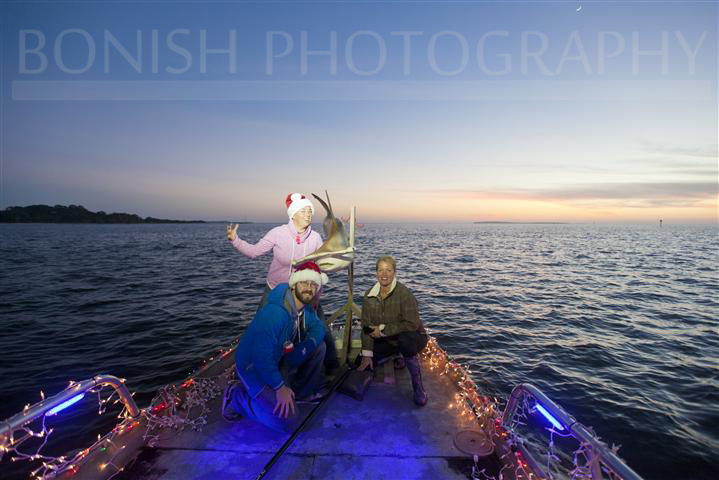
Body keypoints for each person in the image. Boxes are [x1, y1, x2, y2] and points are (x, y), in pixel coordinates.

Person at [226, 193, 339, 372]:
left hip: (303, 292)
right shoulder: (278, 233)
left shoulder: (315, 238)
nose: (309, 214)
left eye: (310, 210)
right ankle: (252, 368)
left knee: (322, 328)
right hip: (274, 289)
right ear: (292, 214)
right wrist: (235, 241)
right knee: (261, 327)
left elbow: (321, 267)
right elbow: (254, 252)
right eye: (304, 210)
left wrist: (317, 295)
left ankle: (333, 368)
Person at [222, 261, 330, 433]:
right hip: (253, 368)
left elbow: (318, 328)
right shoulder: (276, 312)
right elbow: (260, 356)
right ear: (294, 284)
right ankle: (237, 397)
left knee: (319, 347)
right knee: (292, 424)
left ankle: (300, 394)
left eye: (313, 284)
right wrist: (280, 387)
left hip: (277, 359)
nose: (309, 288)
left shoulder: (303, 308)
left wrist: (307, 345)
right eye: (304, 282)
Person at [357, 255, 429, 406]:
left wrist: (383, 330)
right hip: (389, 340)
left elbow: (412, 323)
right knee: (361, 362)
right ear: (376, 273)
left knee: (405, 342)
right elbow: (366, 327)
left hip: (414, 336)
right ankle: (395, 355)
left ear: (394, 272)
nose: (384, 274)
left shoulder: (404, 293)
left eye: (388, 270)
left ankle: (418, 387)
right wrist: (367, 354)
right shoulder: (369, 296)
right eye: (381, 270)